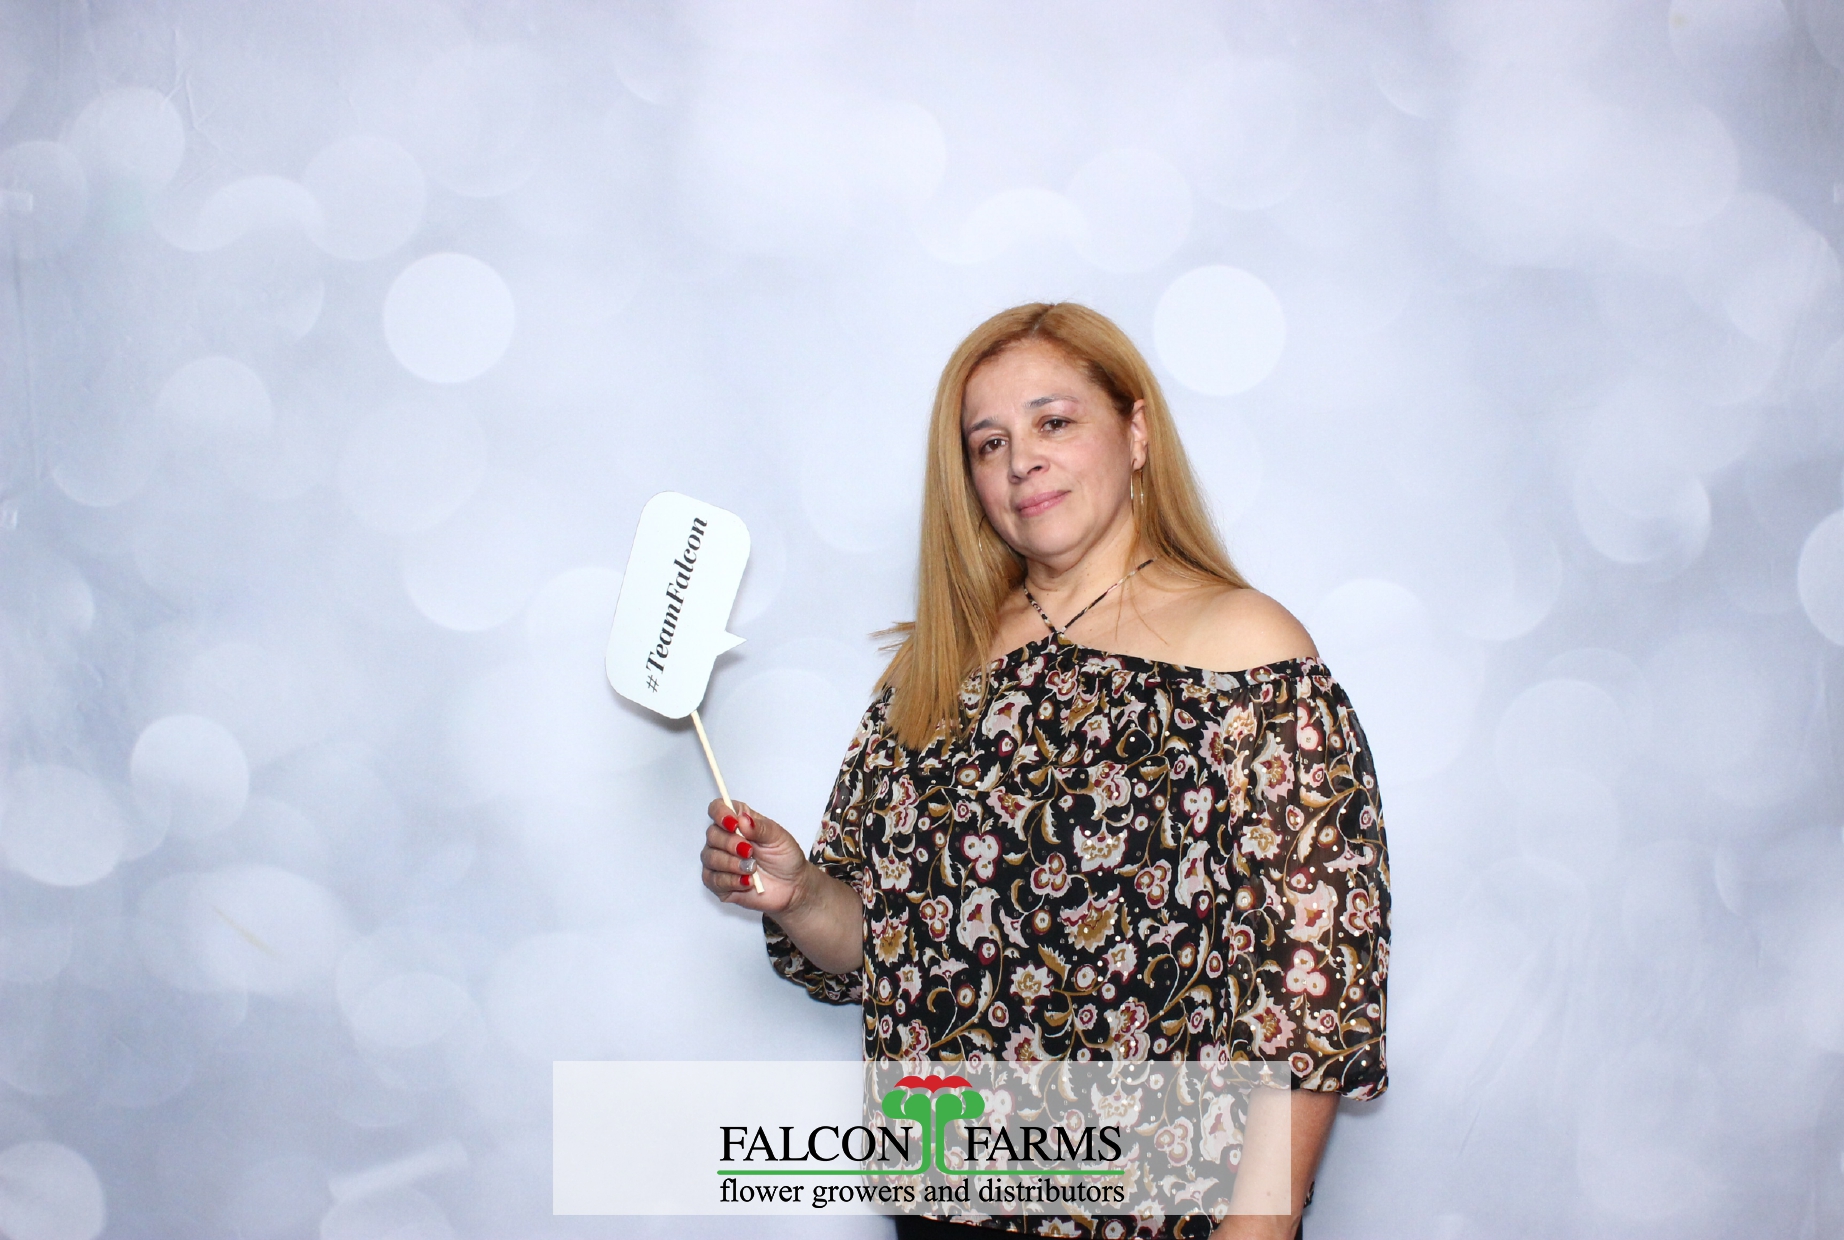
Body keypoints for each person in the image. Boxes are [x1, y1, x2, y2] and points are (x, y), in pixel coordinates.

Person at [699, 302, 1390, 1240]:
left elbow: (1312, 986)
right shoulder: (935, 667)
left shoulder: (1246, 648)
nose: (1021, 460)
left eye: (1053, 422)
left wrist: (1258, 1229)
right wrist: (801, 894)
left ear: (1136, 433)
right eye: (989, 443)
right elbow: (884, 951)